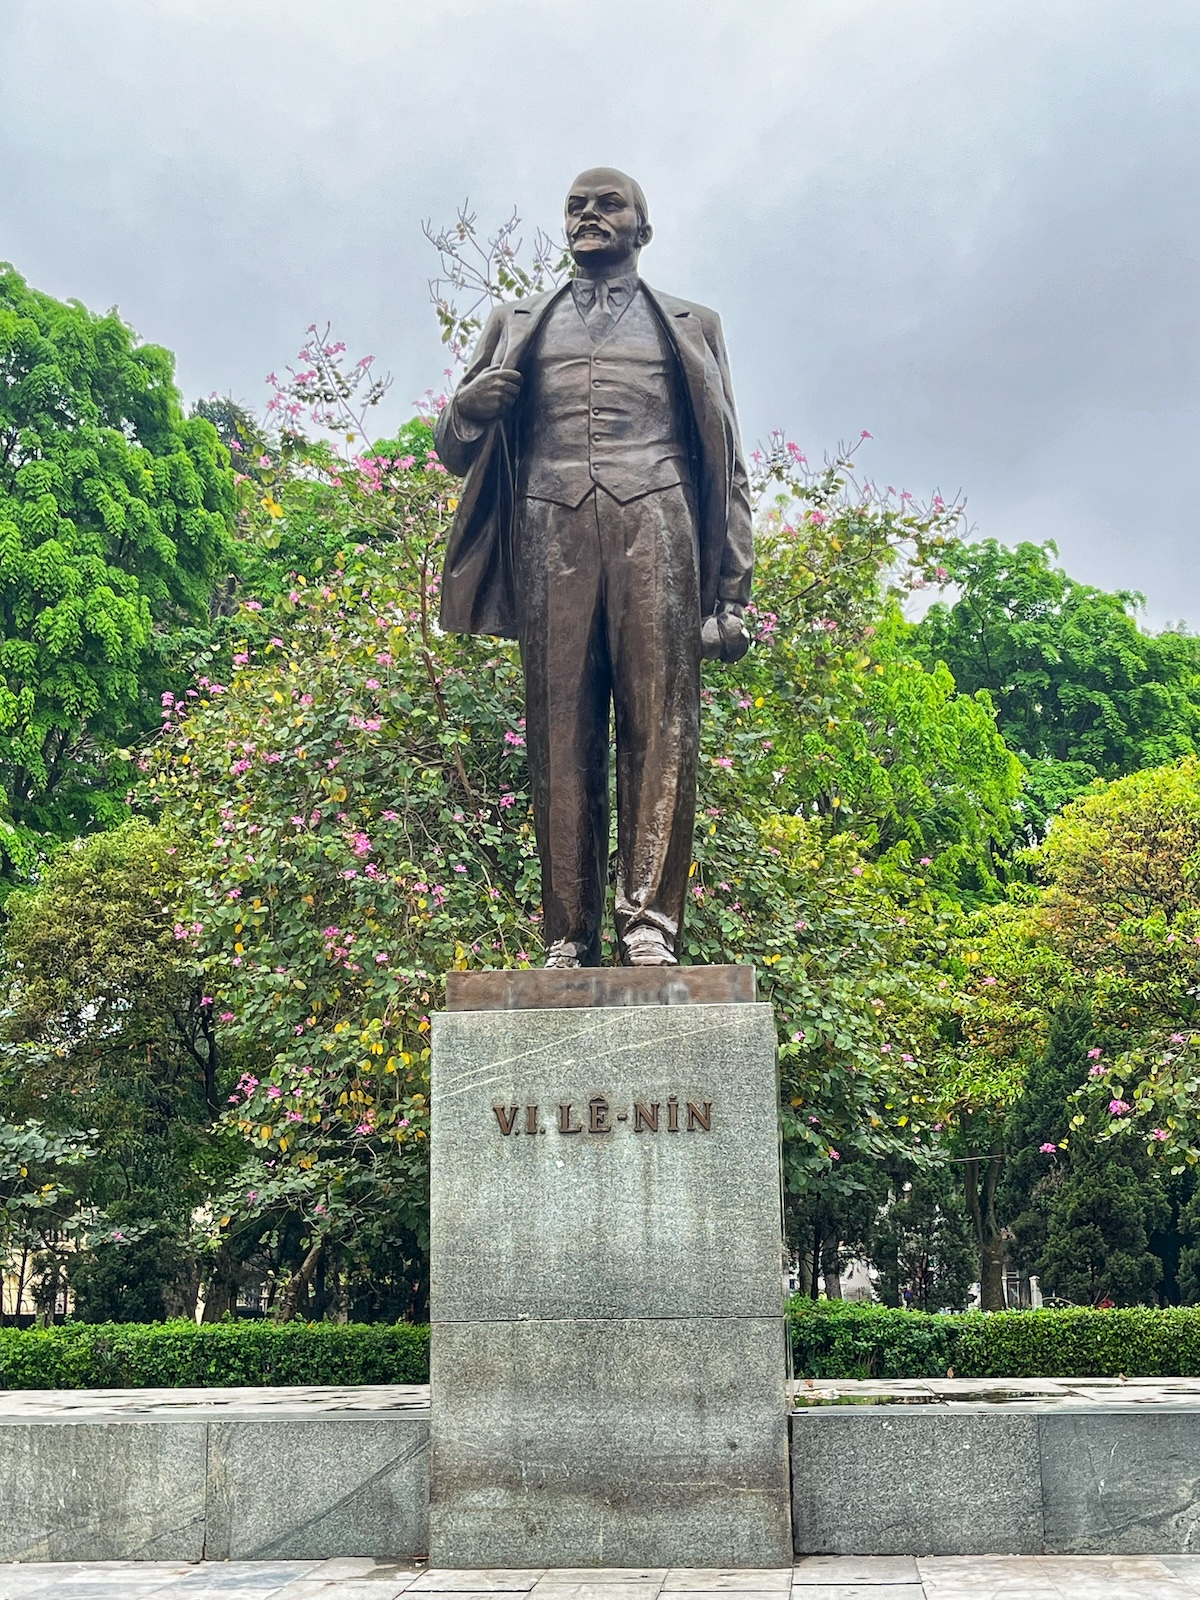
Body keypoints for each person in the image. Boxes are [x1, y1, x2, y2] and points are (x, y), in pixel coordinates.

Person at [435, 168, 752, 968]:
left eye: (608, 204)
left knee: (661, 728)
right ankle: (568, 934)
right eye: (576, 205)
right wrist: (466, 409)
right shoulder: (515, 322)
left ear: (643, 228)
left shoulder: (695, 324)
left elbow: (730, 466)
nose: (588, 214)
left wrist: (732, 593)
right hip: (551, 530)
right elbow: (454, 450)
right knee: (559, 733)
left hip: (660, 527)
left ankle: (649, 928)